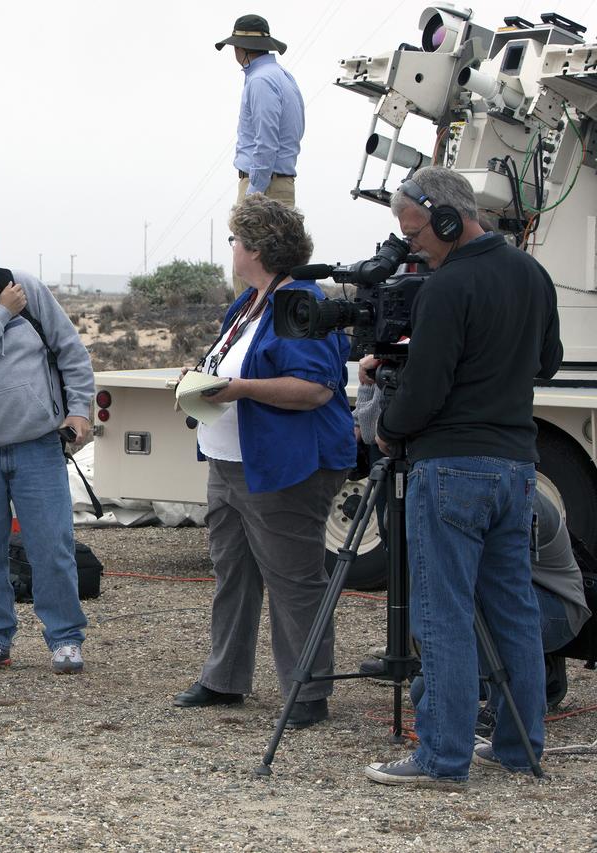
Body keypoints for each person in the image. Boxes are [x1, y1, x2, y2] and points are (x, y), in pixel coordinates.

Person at [365, 167, 562, 784]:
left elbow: (424, 390)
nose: (413, 245)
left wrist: (389, 427)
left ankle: (442, 756)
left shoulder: (447, 288)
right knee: (513, 609)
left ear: (448, 219)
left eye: (417, 231)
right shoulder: (531, 273)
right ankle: (519, 744)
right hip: (517, 467)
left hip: (451, 465)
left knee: (441, 612)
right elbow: (548, 363)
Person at [171, 194, 355, 729]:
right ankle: (224, 677)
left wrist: (236, 388)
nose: (231, 249)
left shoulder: (299, 303)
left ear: (256, 248)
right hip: (229, 463)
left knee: (294, 578)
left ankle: (306, 689)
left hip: (283, 466)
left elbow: (315, 389)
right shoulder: (251, 301)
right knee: (234, 573)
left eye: (235, 241)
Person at [356, 361, 590, 714]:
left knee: (434, 679)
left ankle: (536, 679)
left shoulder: (498, 485)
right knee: (433, 674)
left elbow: (481, 580)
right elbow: (376, 437)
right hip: (514, 596)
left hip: (553, 605)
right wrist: (371, 388)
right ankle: (508, 685)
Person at [0, 214, 93, 675]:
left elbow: (71, 351)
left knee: (52, 544)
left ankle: (65, 638)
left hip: (36, 445)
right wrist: (0, 315)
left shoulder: (24, 288)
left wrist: (80, 411)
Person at [214, 14, 305, 296]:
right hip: (279, 182)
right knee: (278, 274)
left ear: (240, 49)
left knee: (248, 273)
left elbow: (265, 142)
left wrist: (254, 194)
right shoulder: (282, 77)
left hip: (264, 185)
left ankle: (249, 337)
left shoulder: (260, 81)